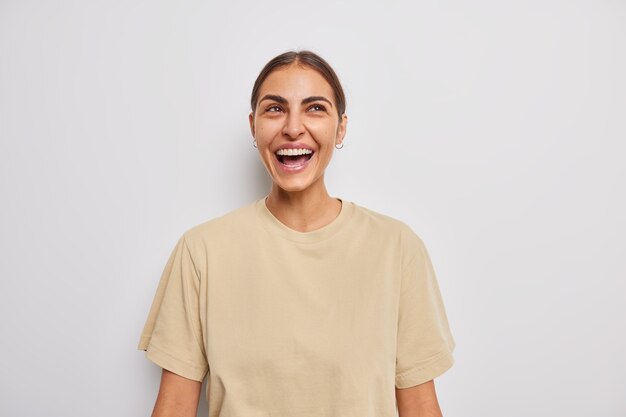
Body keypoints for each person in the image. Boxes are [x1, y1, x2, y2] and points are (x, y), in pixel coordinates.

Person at [138, 50, 456, 417]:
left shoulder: (397, 249)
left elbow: (419, 407)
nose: (292, 127)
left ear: (341, 128)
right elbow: (174, 407)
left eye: (315, 108)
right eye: (274, 109)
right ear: (253, 126)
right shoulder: (201, 252)